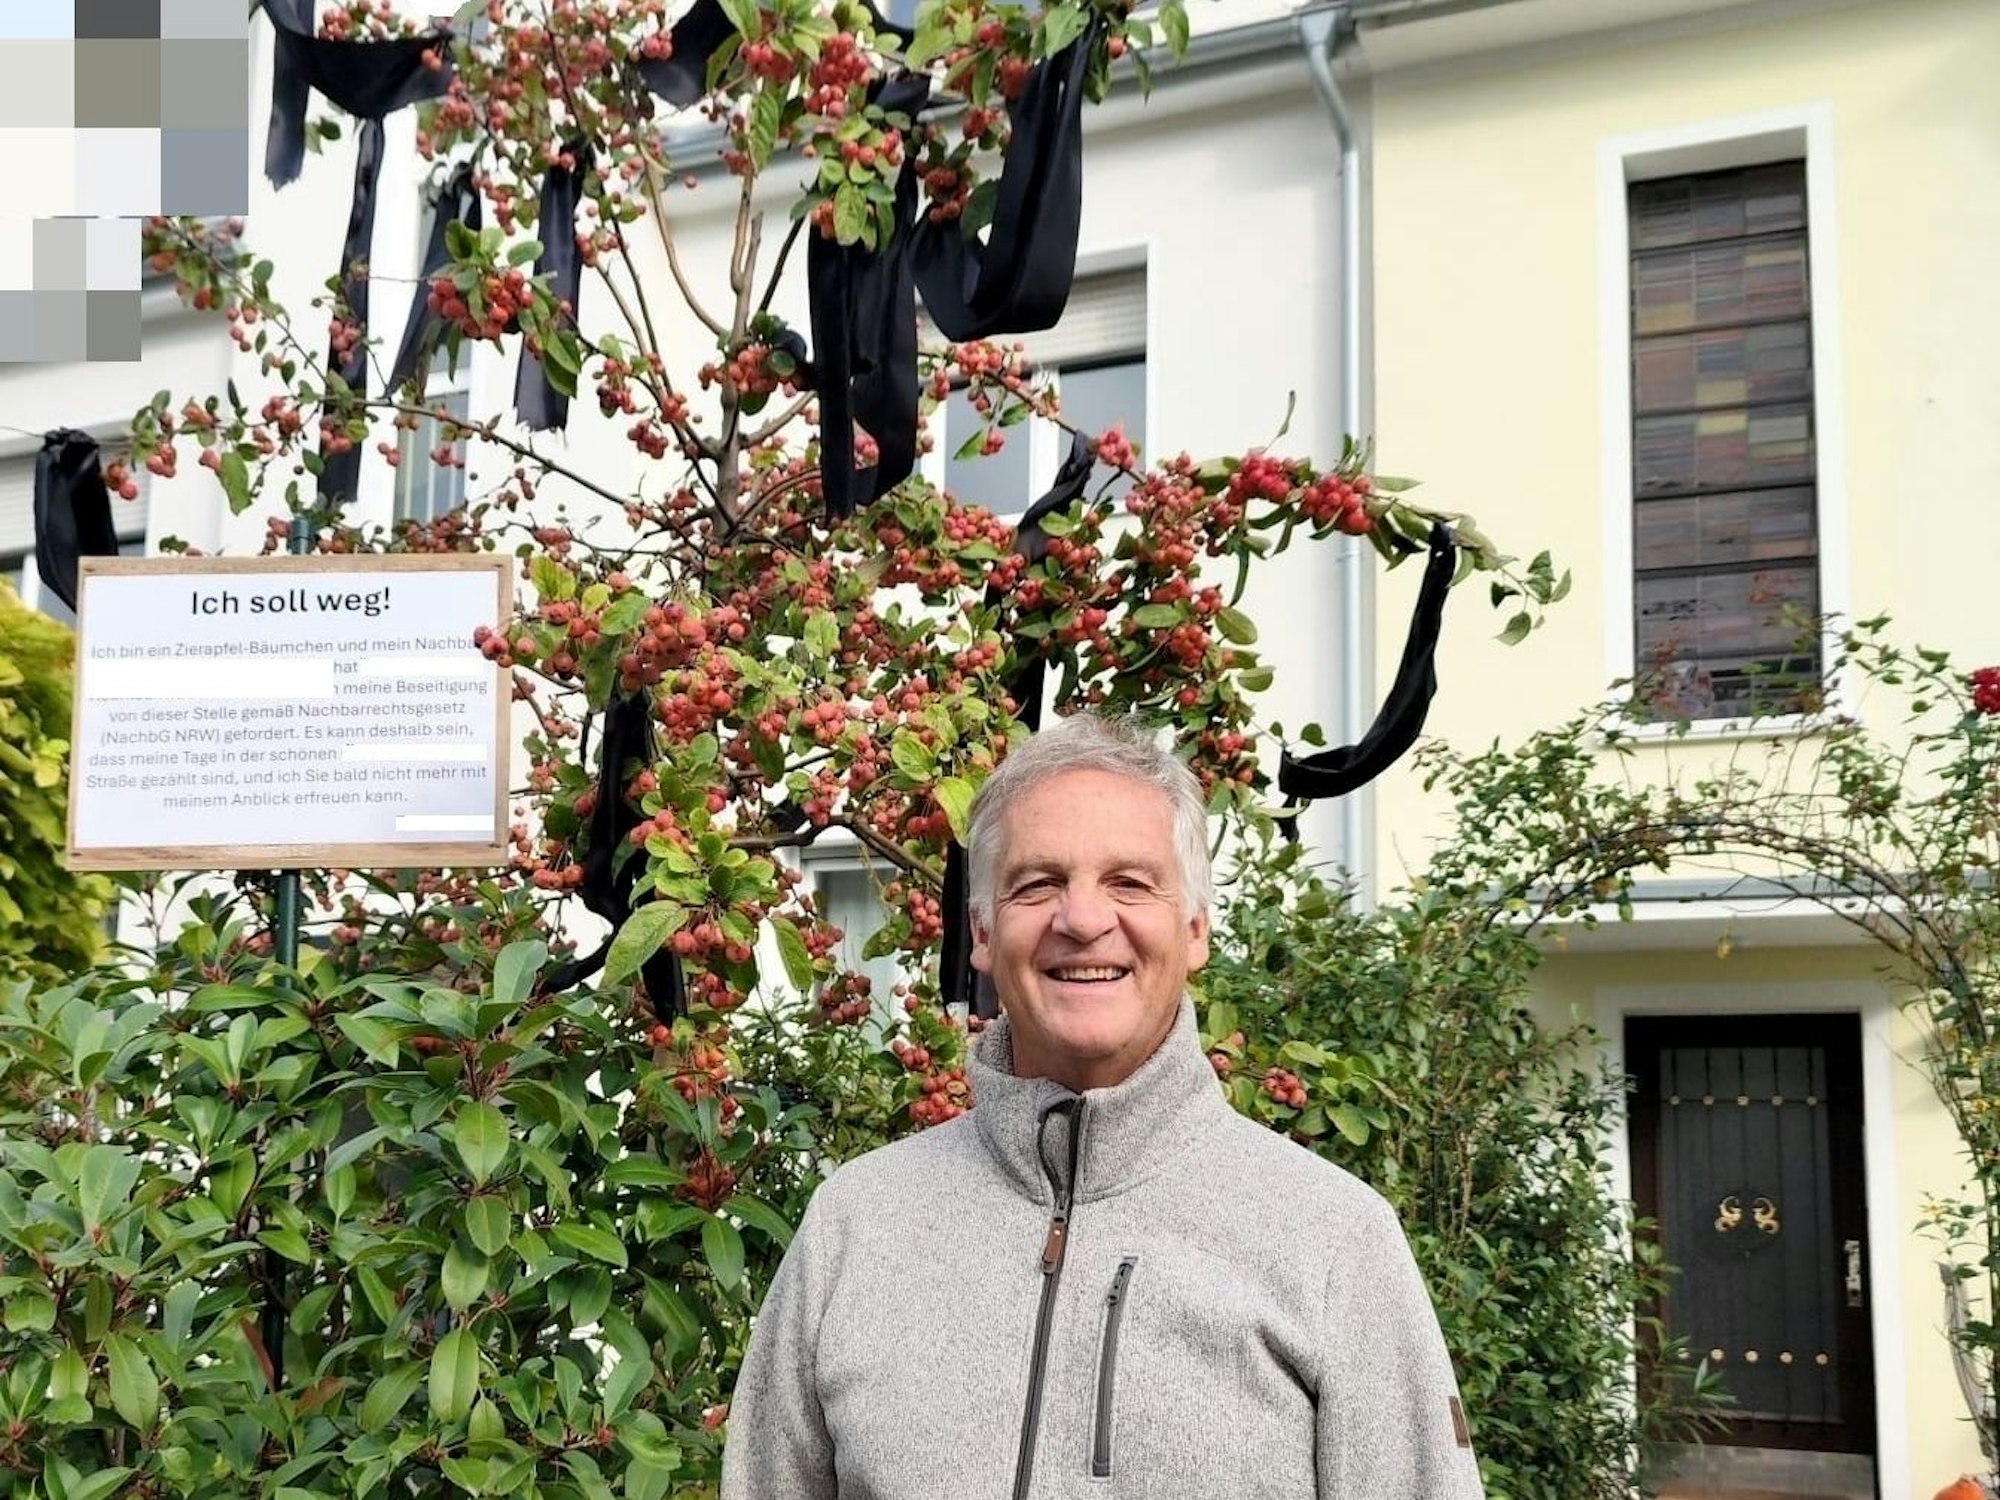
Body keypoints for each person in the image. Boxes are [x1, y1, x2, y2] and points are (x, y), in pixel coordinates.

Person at [721, 712, 1484, 1498]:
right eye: (1037, 884)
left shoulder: (1333, 1243)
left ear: (1194, 929)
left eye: (1129, 882)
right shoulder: (856, 1225)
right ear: (982, 931)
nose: (1083, 920)